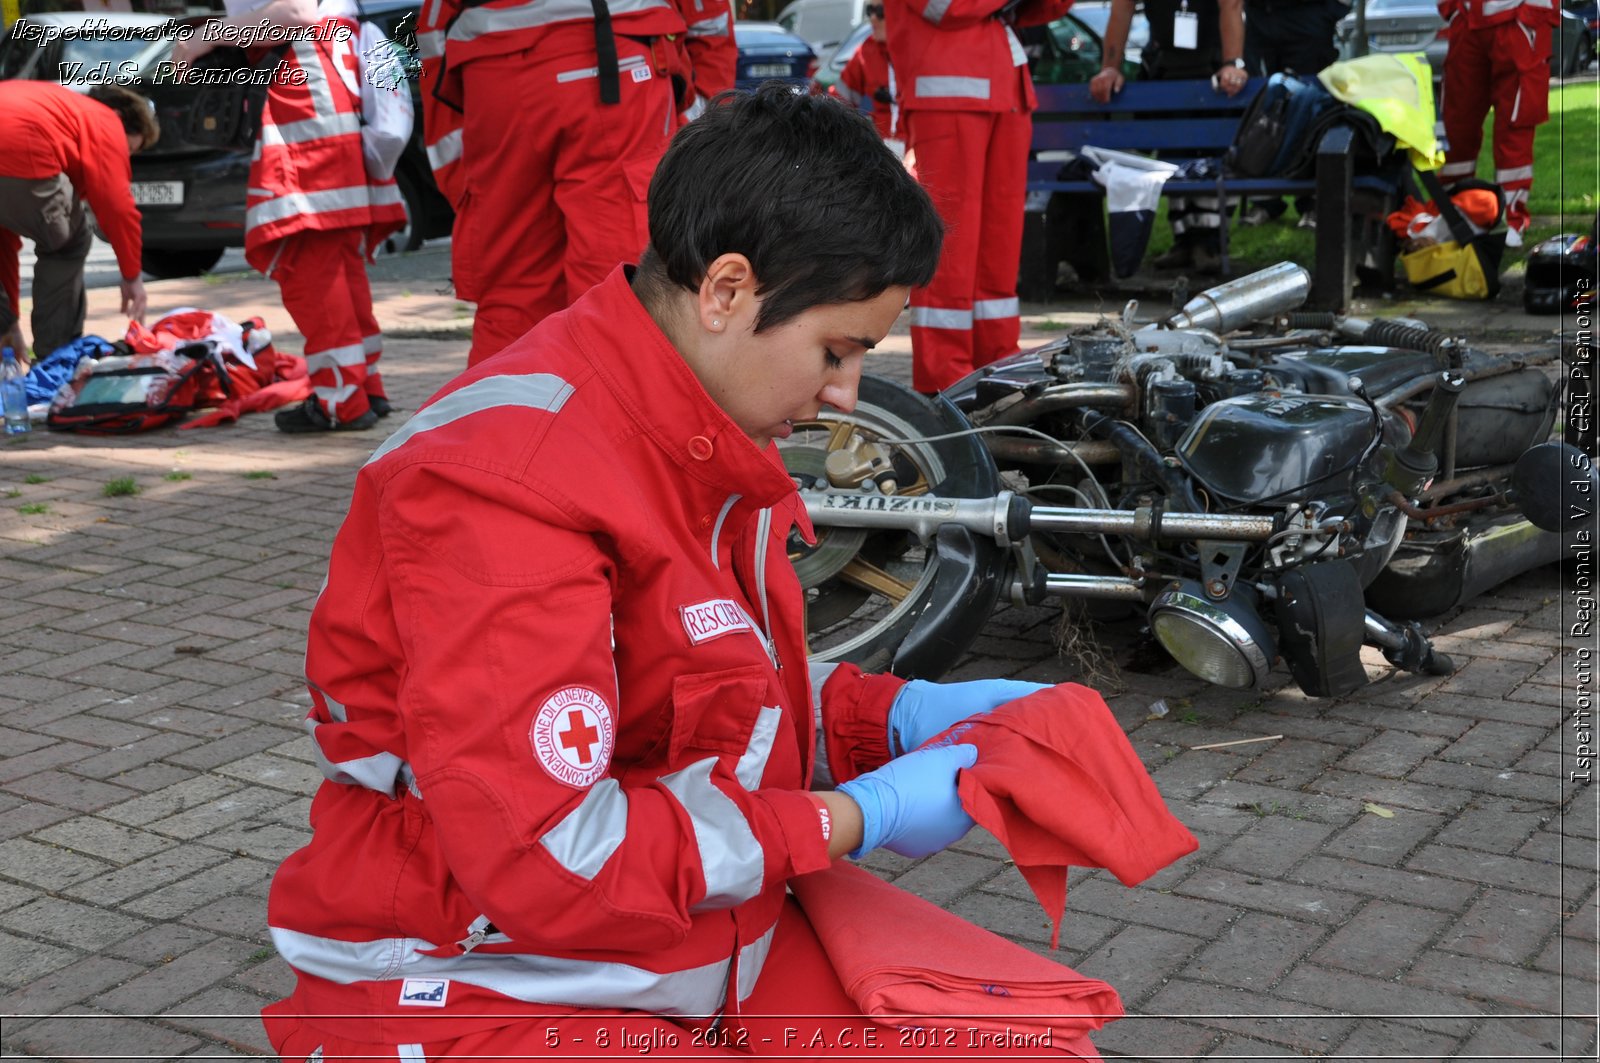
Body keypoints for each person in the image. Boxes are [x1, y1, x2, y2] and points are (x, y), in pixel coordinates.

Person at [260, 86, 1060, 1060]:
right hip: (476, 977)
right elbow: (552, 851)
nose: (843, 396)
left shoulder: (696, 438)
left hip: (653, 952)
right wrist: (847, 816)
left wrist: (870, 718)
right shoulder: (507, 487)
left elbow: (680, 692)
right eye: (835, 351)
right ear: (726, 290)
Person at [172, 0, 407, 433]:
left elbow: (295, 13)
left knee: (315, 278)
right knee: (340, 275)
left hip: (307, 138)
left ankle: (341, 403)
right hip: (327, 127)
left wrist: (208, 35)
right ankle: (364, 389)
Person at [414, 0, 687, 368]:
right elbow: (709, 17)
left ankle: (501, 420)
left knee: (512, 287)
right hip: (613, 60)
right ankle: (621, 418)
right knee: (613, 281)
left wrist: (467, 188)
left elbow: (433, 26)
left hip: (492, 68)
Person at [885, 0, 1074, 395]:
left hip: (1003, 90)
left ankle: (1001, 361)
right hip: (949, 91)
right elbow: (944, 7)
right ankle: (945, 378)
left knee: (999, 245)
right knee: (952, 239)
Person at [0, 82, 157, 364]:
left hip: (13, 141)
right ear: (122, 119)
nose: (126, 158)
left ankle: (5, 346)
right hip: (19, 145)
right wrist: (132, 275)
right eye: (129, 150)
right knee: (69, 241)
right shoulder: (105, 118)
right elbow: (116, 203)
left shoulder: (61, 108)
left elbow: (5, 243)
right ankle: (57, 361)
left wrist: (8, 320)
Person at [1090, 0, 1247, 273]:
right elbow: (1121, 9)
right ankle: (1183, 240)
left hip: (1214, 64)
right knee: (1172, 157)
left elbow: (1231, 6)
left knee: (1213, 156)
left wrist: (1232, 62)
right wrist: (1110, 67)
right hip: (1166, 65)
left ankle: (1210, 242)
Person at [1436, 0, 1556, 246]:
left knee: (1515, 126)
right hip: (1467, 20)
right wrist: (1452, 9)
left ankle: (1510, 218)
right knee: (1457, 124)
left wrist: (1533, 14)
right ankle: (1455, 211)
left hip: (1516, 21)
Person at [1238, 0, 1346, 228]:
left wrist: (1332, 11)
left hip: (1309, 18)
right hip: (1260, 19)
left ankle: (1311, 201)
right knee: (1264, 106)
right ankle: (1265, 199)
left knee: (1314, 108)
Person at [832, 3, 904, 155]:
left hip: (919, 151)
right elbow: (836, 101)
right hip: (882, 153)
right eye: (869, 11)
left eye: (880, 12)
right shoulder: (866, 52)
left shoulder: (919, 51)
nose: (872, 18)